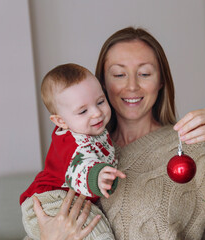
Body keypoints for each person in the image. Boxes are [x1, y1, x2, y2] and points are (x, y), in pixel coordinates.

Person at [32, 27, 205, 240]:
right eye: (119, 74)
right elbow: (44, 209)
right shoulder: (80, 149)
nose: (132, 86)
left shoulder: (193, 148)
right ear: (101, 84)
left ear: (161, 81)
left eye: (144, 73)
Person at [20, 63, 126, 240]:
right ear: (61, 121)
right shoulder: (72, 142)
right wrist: (98, 177)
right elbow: (80, 166)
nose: (97, 113)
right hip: (49, 200)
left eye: (100, 101)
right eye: (83, 111)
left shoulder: (90, 129)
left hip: (67, 198)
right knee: (99, 233)